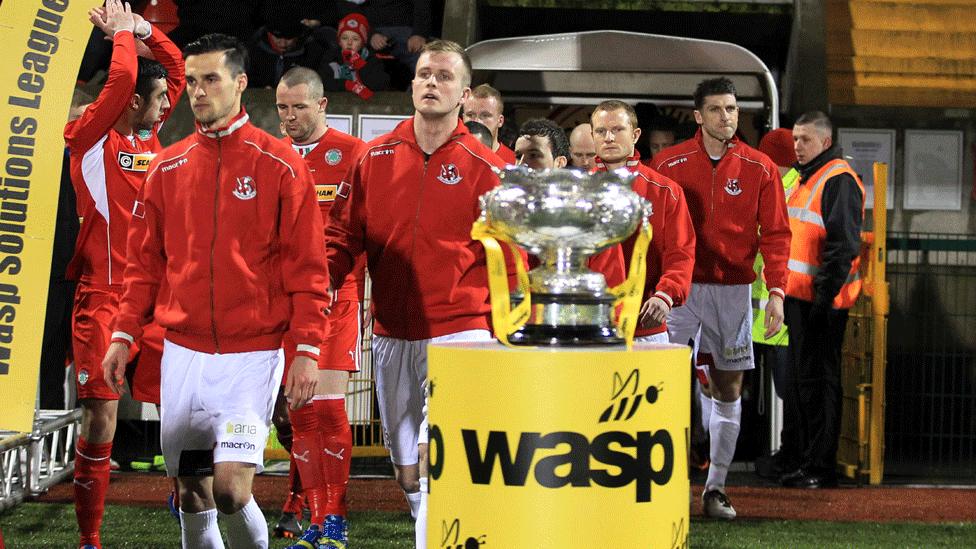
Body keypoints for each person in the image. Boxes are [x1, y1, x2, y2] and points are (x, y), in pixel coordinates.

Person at [102, 33, 331, 549]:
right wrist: (122, 335)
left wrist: (307, 350)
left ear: (240, 84)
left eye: (212, 80)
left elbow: (308, 271)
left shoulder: (281, 165)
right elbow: (143, 268)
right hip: (182, 352)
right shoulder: (166, 167)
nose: (199, 92)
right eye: (194, 82)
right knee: (191, 492)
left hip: (253, 354)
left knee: (229, 489)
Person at [326, 39, 510, 549]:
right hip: (391, 332)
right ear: (412, 85)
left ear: (464, 93)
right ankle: (433, 525)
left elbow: (513, 259)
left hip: (463, 333)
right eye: (425, 74)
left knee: (439, 462)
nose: (432, 82)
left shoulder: (488, 168)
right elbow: (342, 237)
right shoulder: (373, 157)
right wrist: (321, 280)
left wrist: (508, 330)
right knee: (409, 474)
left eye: (445, 76)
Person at [63, 3, 184, 547]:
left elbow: (175, 69)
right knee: (102, 423)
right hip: (103, 299)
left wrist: (143, 30)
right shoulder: (91, 136)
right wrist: (119, 39)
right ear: (132, 100)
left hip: (158, 301)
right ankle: (90, 538)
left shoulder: (148, 137)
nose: (167, 108)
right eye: (156, 101)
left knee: (188, 408)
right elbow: (124, 79)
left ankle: (192, 493)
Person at [654, 77, 791, 520]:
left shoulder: (760, 168)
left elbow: (776, 234)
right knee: (664, 385)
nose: (726, 117)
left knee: (729, 387)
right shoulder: (668, 163)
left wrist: (776, 291)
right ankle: (666, 484)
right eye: (716, 109)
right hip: (678, 290)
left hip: (732, 291)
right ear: (698, 116)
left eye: (731, 109)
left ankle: (716, 489)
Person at [274, 66, 368, 547]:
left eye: (299, 107)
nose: (289, 117)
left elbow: (362, 231)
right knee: (299, 413)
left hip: (336, 300)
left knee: (329, 408)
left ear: (322, 105)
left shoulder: (353, 155)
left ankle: (334, 519)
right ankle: (314, 518)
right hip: (283, 307)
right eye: (283, 108)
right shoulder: (271, 156)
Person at [779, 111, 864, 489]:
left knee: (820, 381)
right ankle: (808, 461)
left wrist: (822, 300)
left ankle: (819, 466)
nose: (797, 145)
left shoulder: (837, 179)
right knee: (807, 382)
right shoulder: (807, 177)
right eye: (795, 138)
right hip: (803, 299)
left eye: (805, 139)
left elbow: (841, 247)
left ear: (825, 142)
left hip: (822, 303)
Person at [589, 101, 696, 345]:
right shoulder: (576, 192)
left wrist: (666, 295)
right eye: (601, 131)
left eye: (617, 130)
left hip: (645, 325)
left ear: (636, 135)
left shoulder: (666, 191)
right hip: (591, 325)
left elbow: (681, 253)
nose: (608, 138)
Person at [513, 118, 626, 288]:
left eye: (534, 155)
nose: (522, 164)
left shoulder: (589, 218)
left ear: (560, 162)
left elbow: (611, 288)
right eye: (518, 156)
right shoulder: (504, 214)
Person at [753, 127, 802, 480]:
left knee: (790, 390)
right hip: (770, 312)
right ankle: (787, 456)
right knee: (785, 390)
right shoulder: (782, 188)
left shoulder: (788, 193)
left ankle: (792, 456)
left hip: (780, 309)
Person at [335, 0, 431, 73]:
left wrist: (419, 33)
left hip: (403, 30)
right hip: (367, 30)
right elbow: (347, 9)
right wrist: (371, 34)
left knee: (424, 57)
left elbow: (422, 4)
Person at [246, 14, 328, 89]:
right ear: (269, 34)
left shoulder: (312, 52)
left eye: (288, 38)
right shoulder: (253, 49)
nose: (283, 44)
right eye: (277, 37)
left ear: (298, 36)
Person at [322, 13, 391, 100]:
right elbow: (323, 82)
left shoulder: (371, 59)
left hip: (365, 107)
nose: (349, 43)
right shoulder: (331, 57)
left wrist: (360, 64)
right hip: (337, 106)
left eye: (355, 39)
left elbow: (378, 84)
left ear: (362, 43)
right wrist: (348, 85)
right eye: (344, 38)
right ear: (339, 41)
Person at [462, 84, 516, 164]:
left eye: (485, 115)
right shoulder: (451, 159)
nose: (477, 121)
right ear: (463, 118)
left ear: (500, 121)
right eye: (470, 115)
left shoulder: (513, 163)